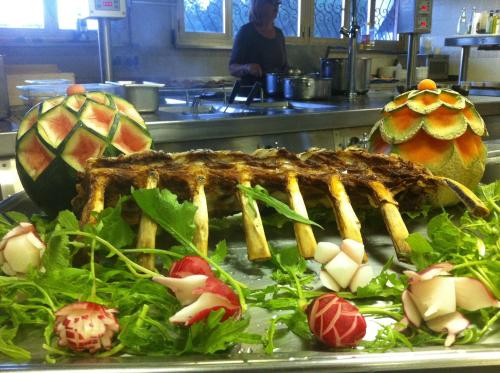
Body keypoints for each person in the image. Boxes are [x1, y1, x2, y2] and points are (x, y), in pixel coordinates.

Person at [229, 0, 288, 86]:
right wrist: (247, 67)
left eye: (277, 4)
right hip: (252, 95)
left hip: (276, 94)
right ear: (259, 5)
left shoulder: (279, 34)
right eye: (272, 3)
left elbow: (285, 67)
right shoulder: (246, 32)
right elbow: (232, 68)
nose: (276, 8)